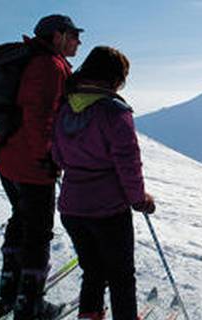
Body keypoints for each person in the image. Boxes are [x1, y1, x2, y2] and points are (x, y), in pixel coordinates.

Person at [0, 14, 83, 320]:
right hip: (31, 164)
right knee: (38, 234)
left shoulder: (30, 58)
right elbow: (39, 116)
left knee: (21, 220)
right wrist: (49, 158)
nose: (78, 41)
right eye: (73, 35)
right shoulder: (48, 66)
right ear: (57, 36)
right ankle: (30, 306)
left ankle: (10, 290)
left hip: (6, 156)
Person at [52, 46, 156, 320]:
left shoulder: (65, 107)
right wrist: (139, 199)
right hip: (107, 211)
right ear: (114, 76)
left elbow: (58, 155)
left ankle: (89, 315)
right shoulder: (114, 111)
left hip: (72, 208)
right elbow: (128, 161)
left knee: (93, 271)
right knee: (121, 275)